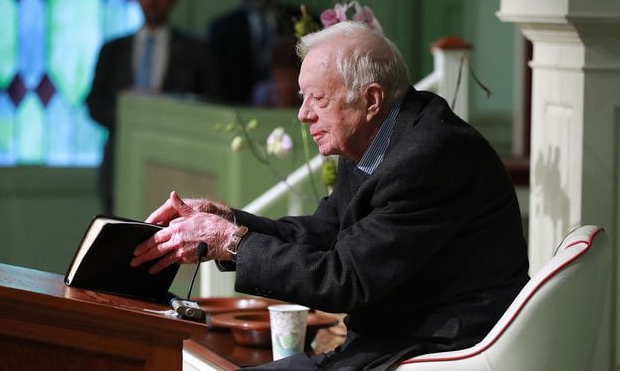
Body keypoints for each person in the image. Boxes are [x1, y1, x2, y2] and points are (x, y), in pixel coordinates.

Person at [131, 21, 530, 370]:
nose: (303, 114)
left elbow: (345, 278)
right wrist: (229, 222)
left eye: (317, 99)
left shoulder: (430, 156)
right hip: (390, 340)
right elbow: (323, 233)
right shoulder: (377, 138)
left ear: (371, 100)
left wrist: (231, 242)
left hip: (435, 352)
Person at [87, 0, 219, 214]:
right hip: (121, 159)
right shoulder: (113, 50)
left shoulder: (195, 49)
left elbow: (210, 101)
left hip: (176, 159)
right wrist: (130, 116)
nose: (152, 0)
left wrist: (168, 107)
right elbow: (94, 103)